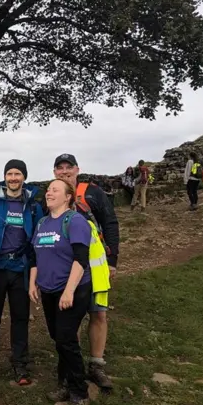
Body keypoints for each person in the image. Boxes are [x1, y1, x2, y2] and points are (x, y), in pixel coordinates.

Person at [0, 159, 44, 385]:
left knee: (20, 317)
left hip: (21, 268)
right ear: (5, 177)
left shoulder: (33, 206)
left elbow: (39, 238)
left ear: (24, 177)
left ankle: (20, 364)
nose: (13, 178)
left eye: (17, 174)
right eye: (10, 174)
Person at [53, 153, 119, 390]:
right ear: (54, 173)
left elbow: (110, 222)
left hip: (95, 266)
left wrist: (112, 260)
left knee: (98, 314)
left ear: (77, 169)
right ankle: (73, 364)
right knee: (71, 319)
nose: (64, 171)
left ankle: (96, 364)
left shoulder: (93, 193)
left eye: (68, 167)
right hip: (67, 268)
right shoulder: (52, 196)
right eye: (59, 168)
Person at [29, 178, 92, 405]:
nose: (49, 193)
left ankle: (80, 392)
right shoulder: (43, 222)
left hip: (73, 290)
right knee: (59, 338)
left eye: (55, 190)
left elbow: (81, 259)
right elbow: (35, 256)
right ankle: (65, 383)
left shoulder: (75, 221)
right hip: (49, 289)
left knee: (66, 339)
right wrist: (32, 283)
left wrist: (69, 291)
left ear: (68, 197)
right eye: (48, 190)